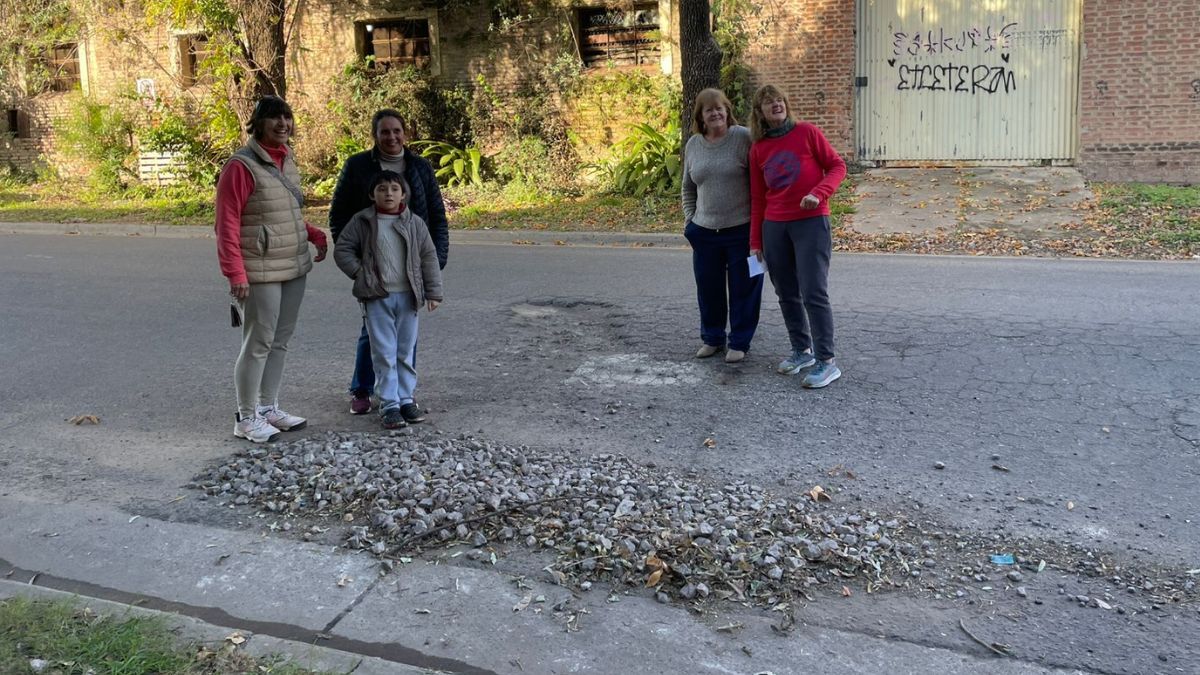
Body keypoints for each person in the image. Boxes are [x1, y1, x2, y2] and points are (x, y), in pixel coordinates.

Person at [215, 95, 328, 443]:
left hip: (293, 262)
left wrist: (313, 234)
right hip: (259, 268)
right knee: (258, 343)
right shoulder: (241, 166)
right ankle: (246, 417)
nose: (283, 124)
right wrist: (236, 274)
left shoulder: (286, 159)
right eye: (274, 118)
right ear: (258, 123)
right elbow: (227, 223)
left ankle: (268, 408)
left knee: (280, 342)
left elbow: (283, 212)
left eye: (287, 118)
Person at [329, 110, 448, 420]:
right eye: (385, 132)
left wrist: (432, 273)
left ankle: (403, 397)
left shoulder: (419, 167)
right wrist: (360, 268)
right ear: (375, 135)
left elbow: (435, 216)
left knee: (405, 344)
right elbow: (339, 216)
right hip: (374, 276)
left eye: (397, 130)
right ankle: (366, 391)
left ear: (404, 133)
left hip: (409, 278)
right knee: (375, 338)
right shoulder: (358, 166)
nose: (392, 137)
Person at [748, 84, 847, 389]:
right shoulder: (758, 149)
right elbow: (758, 198)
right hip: (774, 227)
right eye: (768, 103)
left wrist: (819, 193)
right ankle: (801, 351)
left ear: (786, 104)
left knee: (813, 291)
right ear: (760, 113)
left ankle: (826, 361)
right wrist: (755, 243)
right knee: (786, 292)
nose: (775, 105)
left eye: (779, 100)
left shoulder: (807, 133)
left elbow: (837, 166)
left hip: (811, 222)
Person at [681, 88, 762, 364]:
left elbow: (760, 185)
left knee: (746, 288)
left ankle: (739, 342)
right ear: (701, 117)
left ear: (727, 110)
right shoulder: (693, 144)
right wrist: (689, 221)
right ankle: (712, 338)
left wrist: (759, 228)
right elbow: (687, 188)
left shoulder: (744, 138)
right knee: (708, 289)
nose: (715, 113)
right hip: (704, 232)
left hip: (743, 230)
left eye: (720, 108)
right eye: (709, 110)